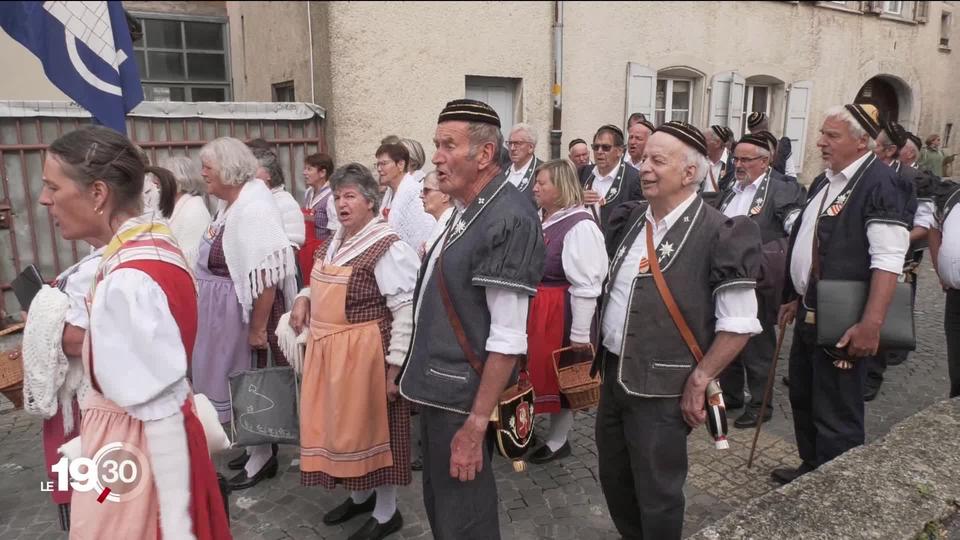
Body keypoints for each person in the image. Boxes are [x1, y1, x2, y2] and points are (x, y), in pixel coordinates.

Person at [38, 125, 229, 539]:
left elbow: (156, 411)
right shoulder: (154, 245)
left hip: (132, 451)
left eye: (53, 186)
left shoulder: (128, 279)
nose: (44, 199)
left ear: (97, 193)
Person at [595, 121, 761, 538]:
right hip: (614, 377)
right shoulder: (633, 218)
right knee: (616, 480)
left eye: (657, 160)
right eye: (644, 157)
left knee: (658, 493)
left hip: (665, 390)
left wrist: (702, 377)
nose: (644, 167)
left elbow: (739, 324)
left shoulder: (720, 231)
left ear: (689, 173)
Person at [398, 99, 545, 539]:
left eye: (448, 145)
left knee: (465, 519)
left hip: (463, 400)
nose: (437, 156)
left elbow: (507, 337)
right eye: (436, 144)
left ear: (484, 155)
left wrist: (476, 423)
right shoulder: (469, 207)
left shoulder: (509, 217)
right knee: (445, 510)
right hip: (442, 390)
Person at [772, 104, 913, 486]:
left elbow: (888, 260)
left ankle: (838, 489)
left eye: (831, 136)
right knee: (804, 396)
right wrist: (794, 295)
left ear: (861, 140)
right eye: (822, 133)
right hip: (810, 310)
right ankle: (811, 470)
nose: (820, 142)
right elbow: (813, 243)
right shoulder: (825, 181)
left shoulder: (881, 182)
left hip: (845, 320)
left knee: (836, 410)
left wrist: (872, 324)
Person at [289, 163, 419, 540]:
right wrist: (302, 297)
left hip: (367, 355)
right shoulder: (339, 239)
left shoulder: (387, 246)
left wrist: (394, 369)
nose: (342, 204)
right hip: (332, 353)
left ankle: (386, 511)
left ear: (370, 202)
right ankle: (360, 496)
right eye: (339, 196)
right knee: (344, 429)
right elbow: (322, 280)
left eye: (350, 197)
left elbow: (405, 311)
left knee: (374, 431)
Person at [191, 137, 298, 491]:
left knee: (249, 382)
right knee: (235, 381)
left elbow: (267, 276)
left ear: (229, 170)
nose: (203, 173)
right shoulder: (230, 205)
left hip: (247, 316)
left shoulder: (253, 208)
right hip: (224, 313)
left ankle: (262, 455)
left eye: (209, 167)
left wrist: (257, 329)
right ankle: (254, 443)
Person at [715, 133, 805, 428]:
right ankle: (731, 394)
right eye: (735, 158)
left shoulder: (780, 189)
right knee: (726, 333)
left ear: (765, 161)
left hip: (759, 279)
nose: (738, 164)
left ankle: (760, 402)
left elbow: (796, 228)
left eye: (745, 160)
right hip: (725, 277)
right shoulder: (731, 186)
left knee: (757, 345)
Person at [526, 159, 607, 464]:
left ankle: (559, 441)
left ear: (560, 188)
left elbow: (587, 285)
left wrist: (579, 337)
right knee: (535, 374)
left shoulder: (580, 226)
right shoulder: (546, 218)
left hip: (562, 312)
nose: (535, 187)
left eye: (542, 182)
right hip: (540, 309)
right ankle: (525, 427)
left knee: (564, 377)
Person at [21, 243, 103, 531]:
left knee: (101, 488)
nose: (46, 200)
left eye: (54, 193)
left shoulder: (111, 263)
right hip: (69, 398)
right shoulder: (94, 259)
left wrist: (40, 322)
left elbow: (77, 340)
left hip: (87, 398)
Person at [863, 122, 934, 400]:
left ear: (891, 150)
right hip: (864, 254)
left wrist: (897, 239)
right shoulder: (868, 173)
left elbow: (925, 223)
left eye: (876, 145)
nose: (872, 149)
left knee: (881, 312)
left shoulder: (913, 178)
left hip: (896, 256)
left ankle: (873, 374)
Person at [579, 124, 644, 233]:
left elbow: (638, 220)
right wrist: (578, 199)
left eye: (606, 147)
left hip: (614, 245)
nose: (599, 151)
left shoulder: (634, 179)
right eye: (596, 147)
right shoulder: (583, 173)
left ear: (619, 151)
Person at [929, 180, 960, 397]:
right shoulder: (952, 196)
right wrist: (940, 268)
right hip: (955, 296)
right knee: (957, 364)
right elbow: (934, 229)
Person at [376, 142, 437, 250]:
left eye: (384, 164)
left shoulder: (415, 193)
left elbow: (425, 232)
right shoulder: (389, 193)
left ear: (400, 165)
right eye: (377, 164)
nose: (379, 169)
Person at [250, 143, 306, 250]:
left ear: (269, 174)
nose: (249, 175)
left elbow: (294, 243)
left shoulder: (285, 201)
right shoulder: (253, 200)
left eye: (254, 169)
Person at [161, 155, 211, 269]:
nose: (156, 182)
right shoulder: (171, 206)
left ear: (178, 181)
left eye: (162, 178)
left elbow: (193, 258)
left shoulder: (195, 209)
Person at [301, 152, 337, 279]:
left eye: (309, 169)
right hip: (306, 250)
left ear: (322, 173)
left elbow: (335, 232)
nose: (304, 173)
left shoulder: (331, 197)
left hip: (322, 252)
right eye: (305, 168)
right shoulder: (308, 193)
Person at [747, 112, 798, 182]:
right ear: (767, 125)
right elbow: (792, 177)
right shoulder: (782, 146)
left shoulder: (745, 149)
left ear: (749, 129)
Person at [419, 170, 454, 256]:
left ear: (445, 195)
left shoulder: (449, 227)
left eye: (426, 191)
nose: (421, 195)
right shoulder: (444, 223)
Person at [505, 122, 542, 202]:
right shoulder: (501, 170)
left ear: (531, 147)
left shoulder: (542, 171)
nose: (512, 148)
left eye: (517, 143)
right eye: (510, 143)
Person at [704, 125, 735, 194]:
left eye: (704, 140)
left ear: (717, 143)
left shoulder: (733, 165)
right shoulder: (699, 160)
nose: (701, 143)